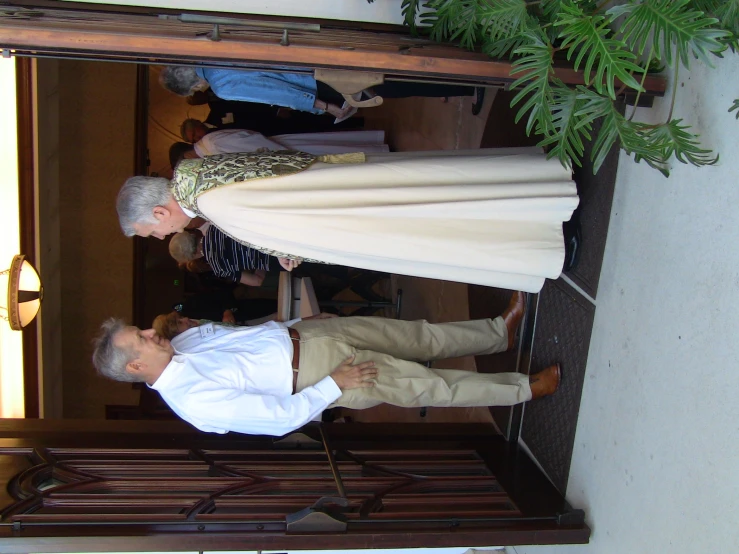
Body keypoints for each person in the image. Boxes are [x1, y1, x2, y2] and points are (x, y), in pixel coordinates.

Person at [92, 291, 561, 437]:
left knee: (419, 335)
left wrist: (305, 320)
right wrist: (333, 386)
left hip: (313, 337)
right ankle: (524, 387)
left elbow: (251, 337)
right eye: (143, 338)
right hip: (324, 377)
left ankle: (498, 332)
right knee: (431, 386)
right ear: (135, 367)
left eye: (144, 328)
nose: (153, 333)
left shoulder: (185, 342)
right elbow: (275, 420)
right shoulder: (192, 402)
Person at [117, 148, 580, 292]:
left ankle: (544, 235)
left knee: (439, 229)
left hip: (347, 217)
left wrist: (289, 248)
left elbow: (285, 221)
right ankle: (543, 201)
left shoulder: (214, 208)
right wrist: (282, 245)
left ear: (158, 211)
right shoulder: (197, 171)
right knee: (442, 191)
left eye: (151, 231)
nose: (162, 235)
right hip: (340, 184)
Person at [159, 66, 484, 121]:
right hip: (311, 56)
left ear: (191, 86)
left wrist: (323, 106)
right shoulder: (215, 48)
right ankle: (463, 78)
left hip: (313, 83)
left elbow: (276, 91)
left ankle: (466, 84)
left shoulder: (222, 85)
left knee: (390, 86)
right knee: (390, 73)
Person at [180, 122, 389, 157]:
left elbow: (251, 142)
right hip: (279, 149)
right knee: (328, 148)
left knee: (328, 149)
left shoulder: (212, 144)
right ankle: (375, 150)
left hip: (280, 149)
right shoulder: (209, 147)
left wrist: (284, 156)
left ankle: (377, 151)